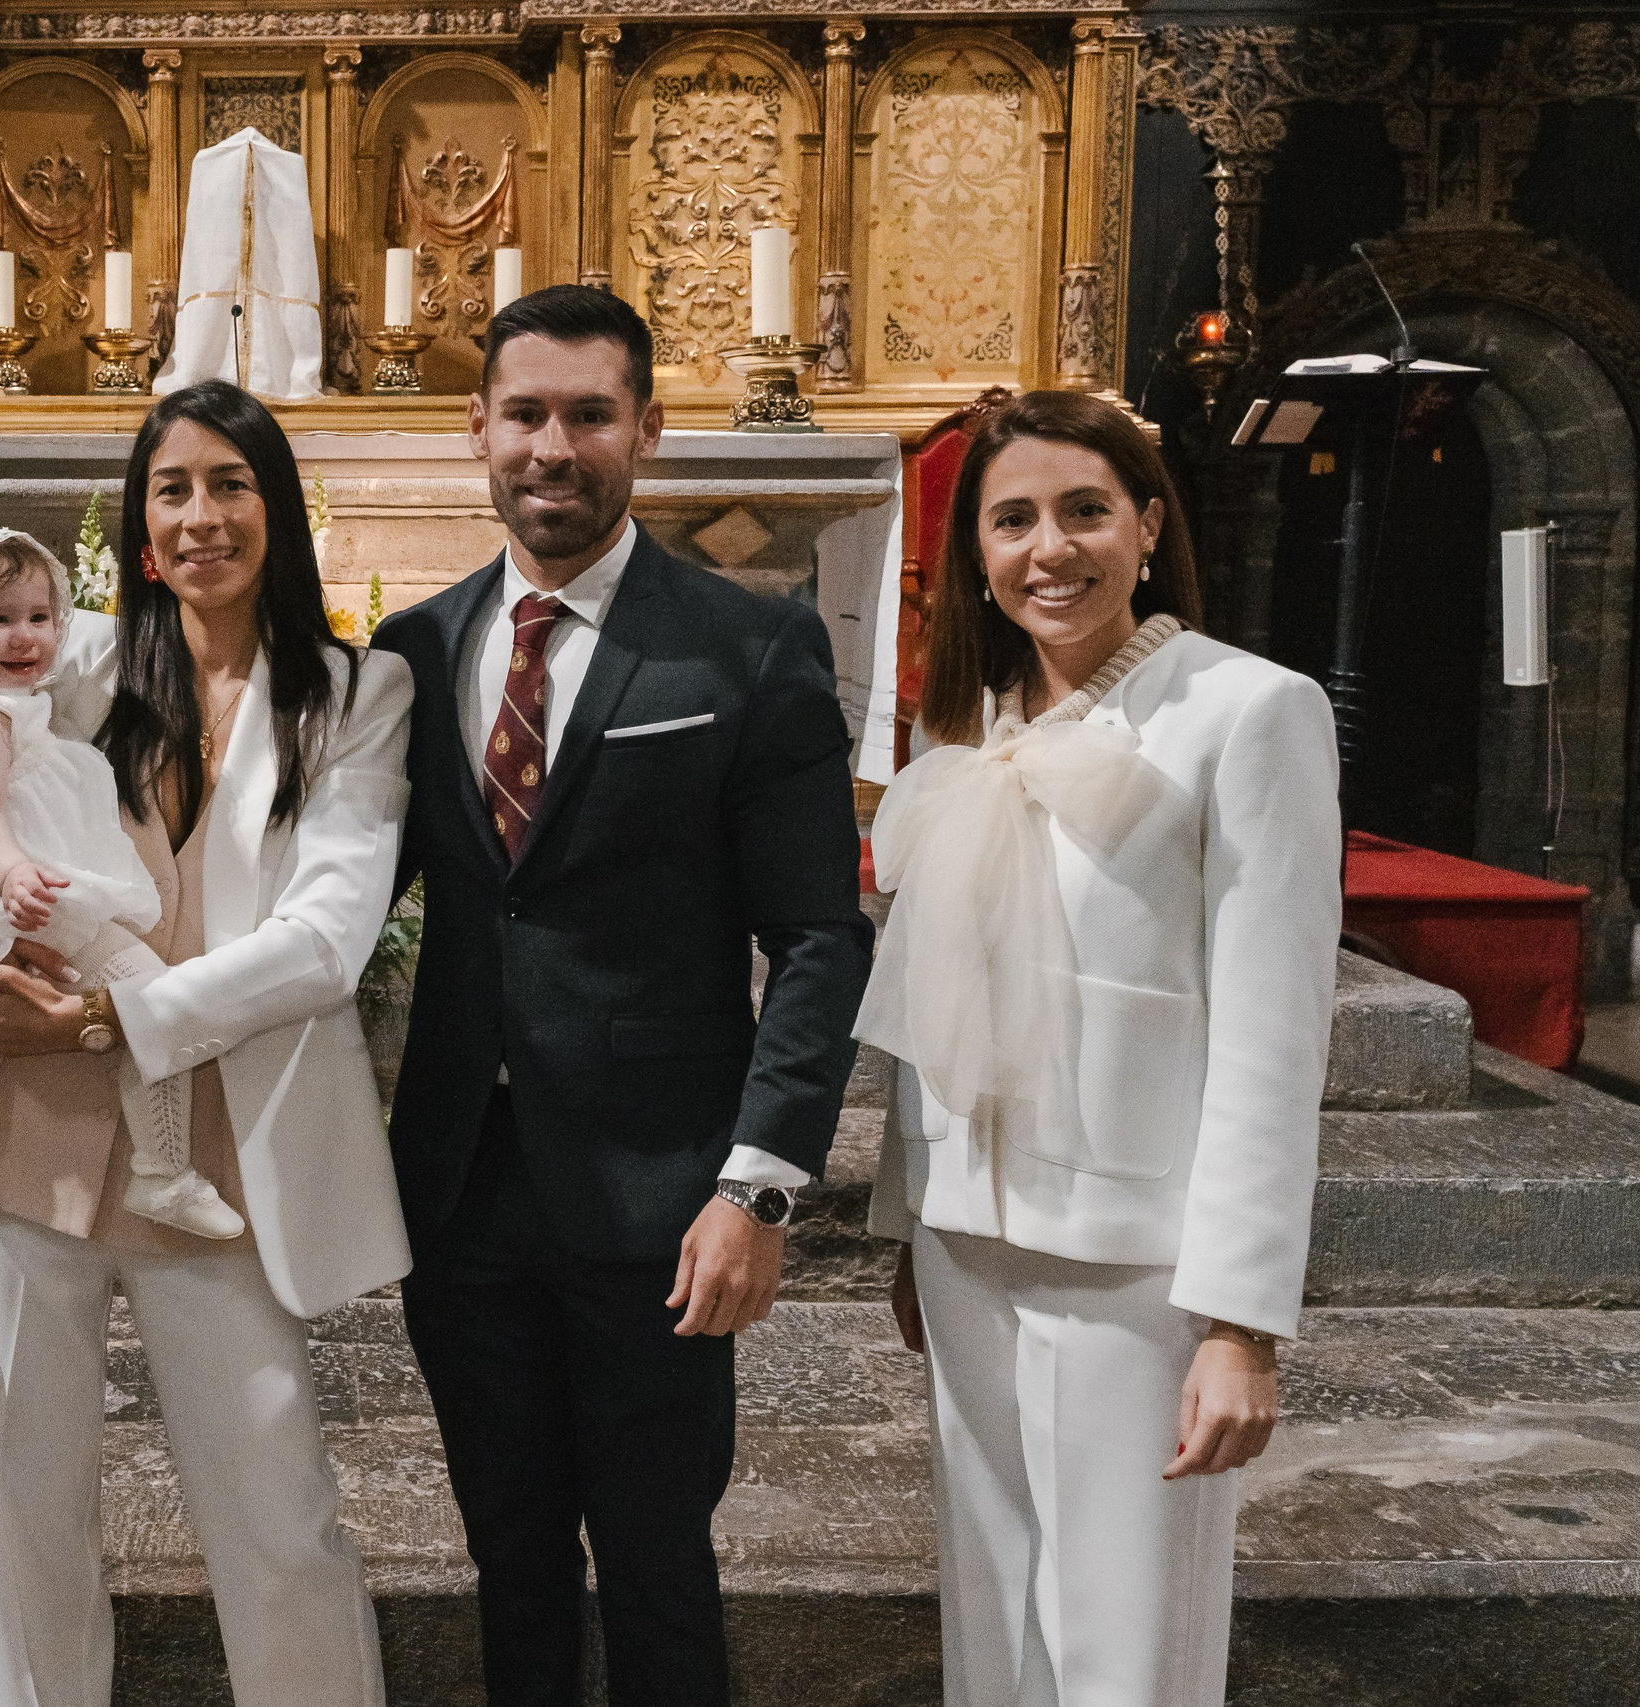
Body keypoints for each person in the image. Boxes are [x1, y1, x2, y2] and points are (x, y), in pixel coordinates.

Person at [370, 285, 874, 1707]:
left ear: (646, 429)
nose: (554, 445)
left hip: (663, 1196)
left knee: (657, 1561)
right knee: (510, 1557)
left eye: (590, 414)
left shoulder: (743, 643)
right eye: (525, 412)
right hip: (465, 1189)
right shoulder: (412, 651)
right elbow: (332, 905)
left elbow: (820, 937)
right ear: (476, 428)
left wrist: (759, 1184)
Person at [0, 378, 412, 1704]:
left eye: (230, 482)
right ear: (138, 517)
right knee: (23, 1514)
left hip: (214, 1137)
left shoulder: (355, 687)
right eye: (171, 487)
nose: (201, 514)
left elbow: (329, 933)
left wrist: (114, 1010)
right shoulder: (75, 653)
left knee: (281, 1511)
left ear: (277, 505)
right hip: (22, 1127)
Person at [858, 387, 1341, 1707]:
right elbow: (937, 1015)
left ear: (1147, 523)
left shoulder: (1249, 710)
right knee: (992, 1627)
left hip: (1137, 1263)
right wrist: (914, 1220)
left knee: (1125, 1648)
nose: (1047, 547)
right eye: (1012, 519)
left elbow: (1270, 1033)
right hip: (967, 1250)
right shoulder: (968, 726)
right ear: (977, 554)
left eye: (1083, 510)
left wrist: (1242, 1320)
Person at [0, 524, 242, 1239]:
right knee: (150, 997)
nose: (26, 638)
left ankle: (163, 1170)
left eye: (40, 618)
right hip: (22, 900)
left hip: (31, 893)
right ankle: (165, 1171)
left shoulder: (12, 687)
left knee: (146, 1000)